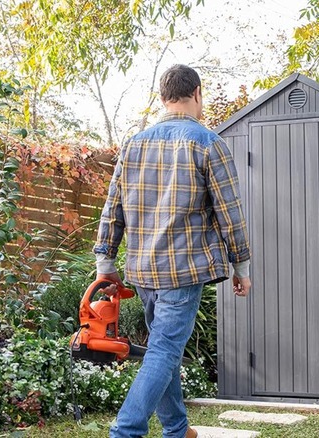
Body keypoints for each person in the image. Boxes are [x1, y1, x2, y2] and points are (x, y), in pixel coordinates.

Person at [93, 64, 252, 438]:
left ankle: (177, 429)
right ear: (197, 93)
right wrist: (240, 265)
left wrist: (106, 262)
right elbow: (231, 212)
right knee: (164, 350)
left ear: (163, 98)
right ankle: (126, 432)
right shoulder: (209, 143)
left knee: (162, 350)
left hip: (142, 270)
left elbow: (112, 206)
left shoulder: (134, 144)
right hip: (183, 272)